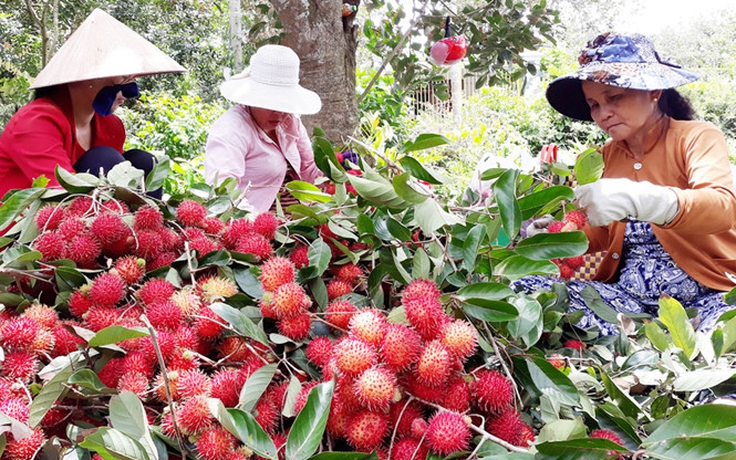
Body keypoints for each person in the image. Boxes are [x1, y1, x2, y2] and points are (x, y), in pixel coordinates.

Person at [514, 32, 736, 335]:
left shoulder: (696, 137)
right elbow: (599, 234)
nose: (603, 113)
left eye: (614, 98)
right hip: (628, 307)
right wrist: (556, 235)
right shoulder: (599, 159)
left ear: (654, 91)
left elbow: (722, 208)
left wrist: (647, 200)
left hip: (709, 299)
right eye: (593, 104)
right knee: (524, 292)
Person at [0, 9, 185, 200]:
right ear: (84, 76)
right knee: (105, 159)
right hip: (32, 222)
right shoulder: (36, 121)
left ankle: (151, 227)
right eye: (123, 77)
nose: (127, 94)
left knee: (144, 162)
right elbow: (60, 194)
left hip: (91, 216)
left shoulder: (111, 126)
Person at [204, 44, 323, 213]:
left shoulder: (290, 122)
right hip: (253, 227)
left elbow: (309, 169)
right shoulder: (232, 129)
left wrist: (336, 167)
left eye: (285, 104)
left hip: (299, 223)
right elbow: (222, 190)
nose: (280, 112)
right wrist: (254, 223)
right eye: (271, 104)